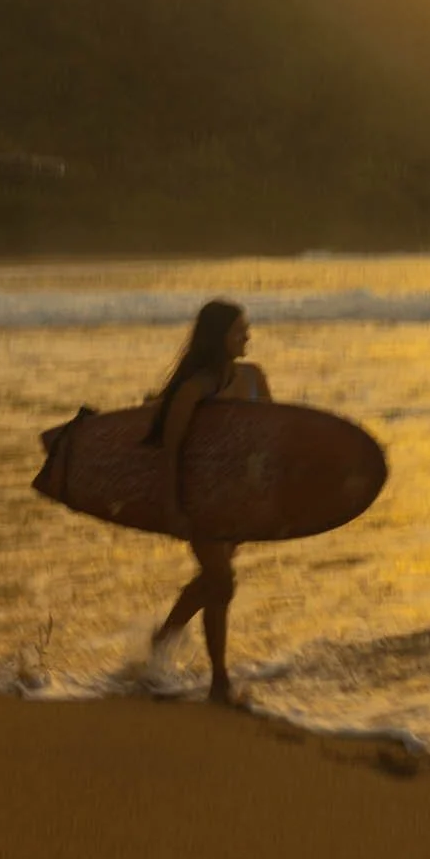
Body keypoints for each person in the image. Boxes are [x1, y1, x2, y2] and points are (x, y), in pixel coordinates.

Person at [144, 299, 272, 704]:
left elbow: (272, 435)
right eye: (239, 330)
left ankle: (165, 638)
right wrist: (172, 506)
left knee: (215, 582)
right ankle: (220, 679)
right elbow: (170, 451)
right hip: (198, 495)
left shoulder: (254, 378)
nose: (247, 335)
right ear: (219, 339)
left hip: (238, 497)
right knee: (222, 581)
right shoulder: (194, 389)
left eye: (246, 328)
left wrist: (271, 494)